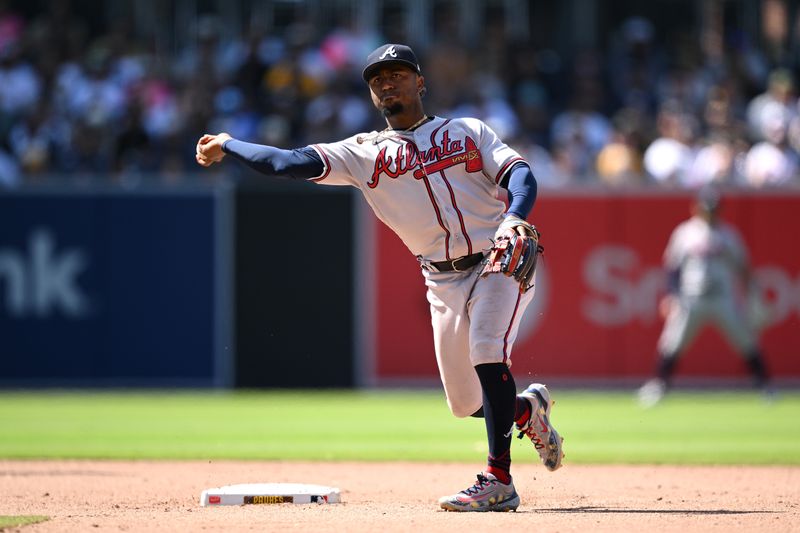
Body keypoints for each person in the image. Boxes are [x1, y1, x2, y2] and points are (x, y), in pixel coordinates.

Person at [196, 43, 563, 512]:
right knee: (466, 404)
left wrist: (514, 216)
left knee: (488, 351)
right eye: (376, 78)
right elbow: (285, 163)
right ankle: (528, 411)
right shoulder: (362, 153)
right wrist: (229, 143)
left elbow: (521, 173)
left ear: (420, 82)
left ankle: (498, 480)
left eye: (397, 73)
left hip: (498, 258)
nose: (387, 82)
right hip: (441, 281)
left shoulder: (466, 130)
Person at [637, 187, 771, 407]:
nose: (710, 213)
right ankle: (659, 385)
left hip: (722, 297)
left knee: (746, 340)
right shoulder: (686, 233)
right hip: (691, 298)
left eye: (714, 209)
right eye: (706, 208)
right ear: (696, 208)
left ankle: (765, 386)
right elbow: (673, 267)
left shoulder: (728, 235)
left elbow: (743, 267)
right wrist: (671, 294)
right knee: (673, 341)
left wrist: (754, 294)